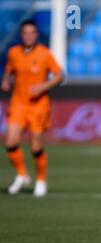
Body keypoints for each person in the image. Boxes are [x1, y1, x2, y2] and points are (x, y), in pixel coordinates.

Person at [1, 20, 64, 197]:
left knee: (36, 146)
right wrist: (6, 80)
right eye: (25, 33)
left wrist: (43, 87)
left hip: (38, 106)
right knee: (10, 142)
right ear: (21, 35)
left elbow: (60, 75)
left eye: (32, 33)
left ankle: (41, 180)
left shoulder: (44, 54)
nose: (28, 36)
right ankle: (22, 174)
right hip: (18, 103)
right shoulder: (14, 52)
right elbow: (9, 70)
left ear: (36, 35)